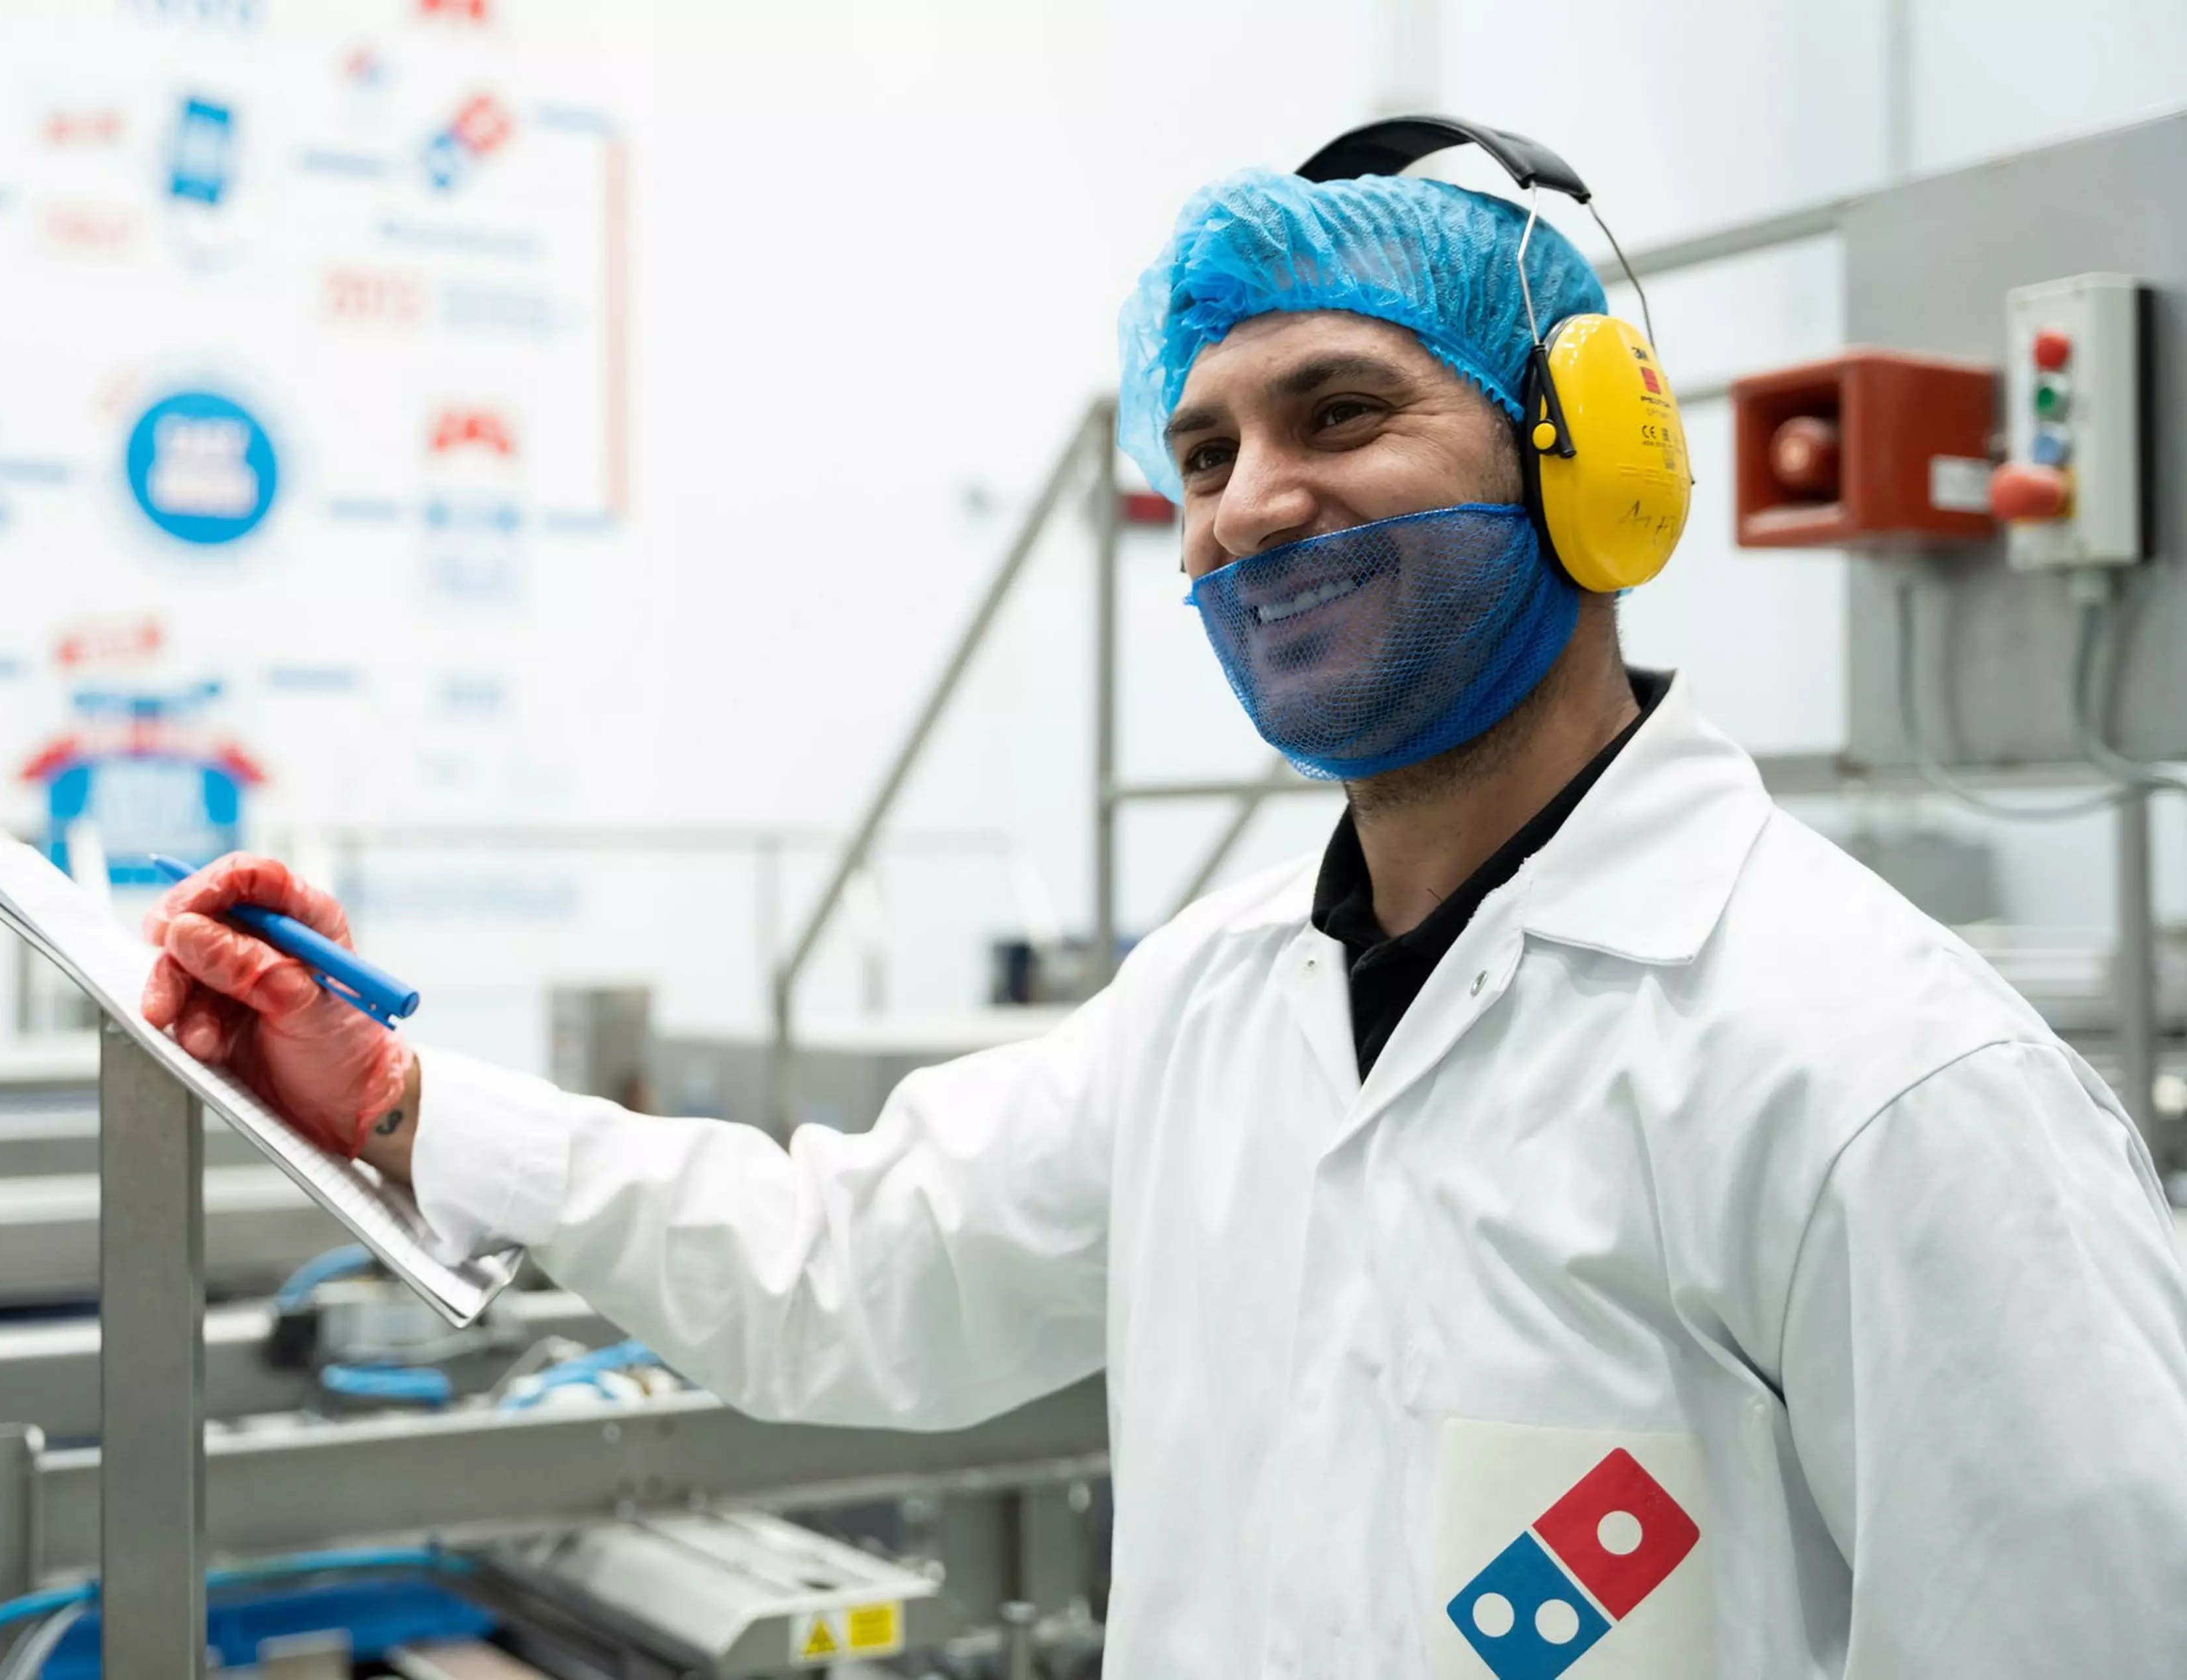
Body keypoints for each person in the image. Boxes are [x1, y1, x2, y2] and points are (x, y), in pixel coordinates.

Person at [143, 146, 2187, 1677]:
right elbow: (844, 1269)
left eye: (1342, 414)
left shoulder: (1879, 1079)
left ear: (1599, 472)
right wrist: (400, 1099)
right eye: (1202, 453)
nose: (1249, 505)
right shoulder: (1217, 1004)